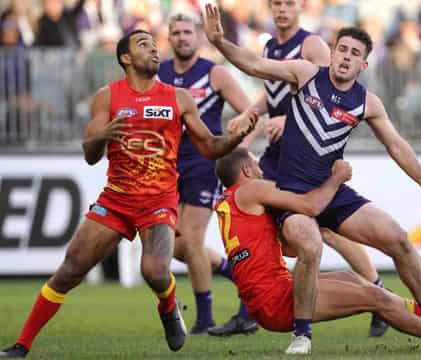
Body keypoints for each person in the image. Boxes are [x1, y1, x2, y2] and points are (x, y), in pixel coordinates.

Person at [203, 4, 421, 355]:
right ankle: (302, 334)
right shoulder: (305, 74)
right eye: (342, 50)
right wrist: (220, 43)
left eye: (355, 54)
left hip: (332, 192)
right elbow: (256, 66)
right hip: (292, 191)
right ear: (332, 54)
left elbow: (396, 145)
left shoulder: (368, 102)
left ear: (364, 65)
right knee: (311, 246)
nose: (346, 57)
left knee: (399, 239)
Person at [0, 29, 255, 358]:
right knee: (70, 270)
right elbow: (90, 155)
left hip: (159, 201)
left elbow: (209, 146)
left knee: (155, 271)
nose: (153, 49)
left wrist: (236, 138)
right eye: (143, 44)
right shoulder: (107, 96)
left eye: (153, 43)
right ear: (125, 57)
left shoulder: (179, 98)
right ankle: (21, 345)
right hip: (116, 201)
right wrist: (100, 136)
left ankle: (168, 306)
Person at [213, 148, 421, 353]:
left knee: (352, 278)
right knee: (373, 297)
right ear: (247, 171)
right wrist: (336, 178)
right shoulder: (251, 190)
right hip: (276, 302)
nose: (262, 169)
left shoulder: (229, 204)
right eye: (256, 164)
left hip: (269, 297)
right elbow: (309, 204)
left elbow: (282, 249)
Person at [222, 0, 388, 338]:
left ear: (301, 8)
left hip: (308, 150)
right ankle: (253, 307)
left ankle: (375, 288)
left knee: (324, 229)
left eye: (289, 3)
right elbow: (272, 93)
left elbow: (329, 95)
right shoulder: (271, 45)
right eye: (276, 4)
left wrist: (287, 118)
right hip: (278, 152)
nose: (282, 9)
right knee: (265, 222)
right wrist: (252, 114)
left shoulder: (311, 44)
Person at [157, 13, 258, 336]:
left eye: (188, 32)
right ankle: (237, 276)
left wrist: (236, 152)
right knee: (174, 246)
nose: (183, 37)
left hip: (205, 163)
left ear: (199, 37)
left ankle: (204, 320)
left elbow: (250, 114)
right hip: (168, 165)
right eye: (177, 33)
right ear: (169, 38)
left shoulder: (214, 74)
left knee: (192, 239)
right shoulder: (159, 75)